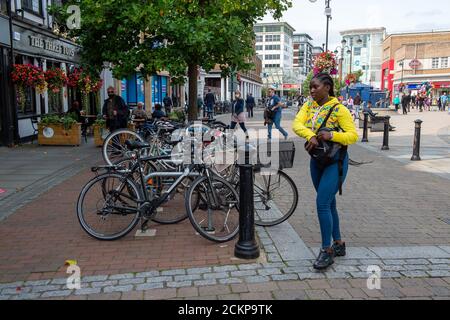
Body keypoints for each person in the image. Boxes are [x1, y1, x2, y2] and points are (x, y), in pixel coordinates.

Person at [292, 73, 358, 270]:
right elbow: (297, 124)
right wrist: (311, 135)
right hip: (317, 160)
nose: (311, 90)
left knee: (322, 203)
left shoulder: (340, 109)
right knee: (329, 203)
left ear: (327, 87)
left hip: (335, 162)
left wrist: (332, 135)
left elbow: (353, 136)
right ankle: (338, 244)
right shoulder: (309, 106)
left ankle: (326, 250)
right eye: (310, 87)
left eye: (315, 87)